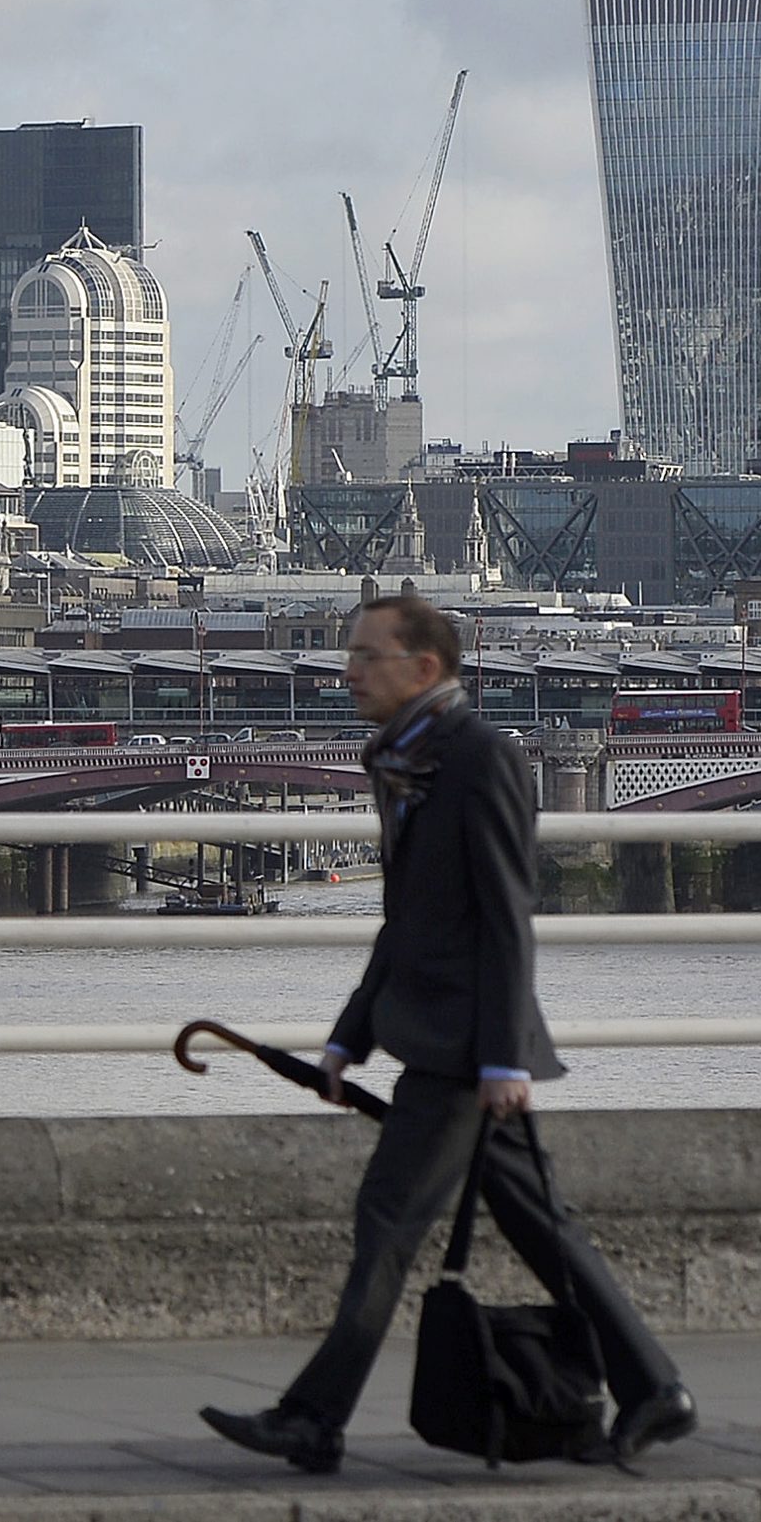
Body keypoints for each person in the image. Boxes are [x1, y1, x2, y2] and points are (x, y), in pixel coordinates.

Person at [201, 592, 694, 1476]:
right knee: (539, 1225)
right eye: (350, 654)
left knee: (387, 1221)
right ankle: (655, 1388)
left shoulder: (479, 758)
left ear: (424, 667)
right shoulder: (403, 759)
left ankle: (314, 1418)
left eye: (367, 655)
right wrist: (347, 1040)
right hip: (439, 1036)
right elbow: (405, 919)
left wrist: (504, 1058)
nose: (349, 671)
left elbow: (506, 914)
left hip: (466, 1048)